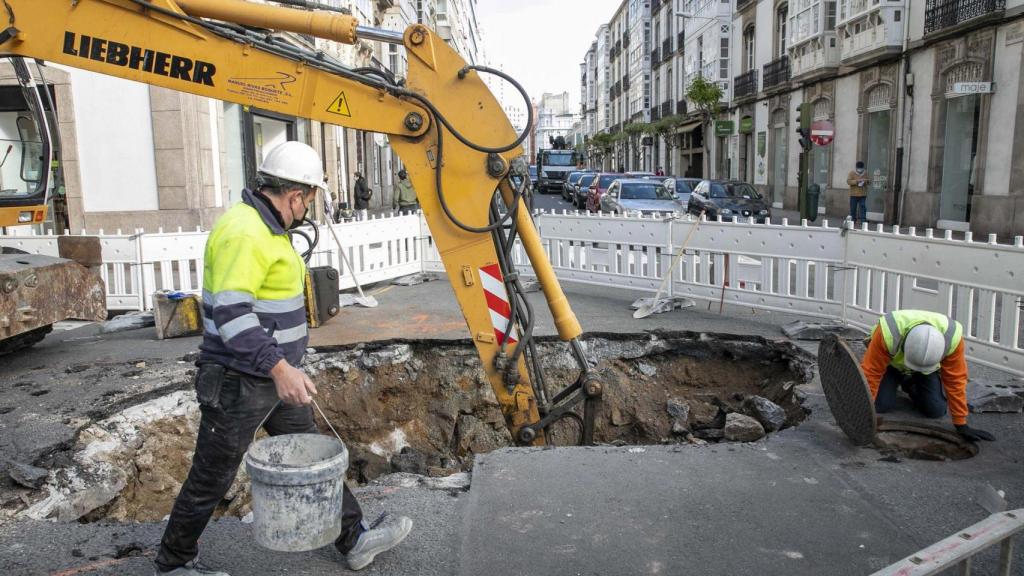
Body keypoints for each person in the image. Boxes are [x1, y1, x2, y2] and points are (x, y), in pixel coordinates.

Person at [154, 141, 412, 576]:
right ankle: (174, 562)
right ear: (296, 195)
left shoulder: (265, 228)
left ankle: (355, 538)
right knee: (213, 474)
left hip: (271, 377)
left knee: (313, 455)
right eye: (308, 200)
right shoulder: (245, 232)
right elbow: (233, 315)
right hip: (240, 379)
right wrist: (280, 367)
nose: (306, 209)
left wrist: (282, 369)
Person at [860, 309, 995, 442]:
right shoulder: (888, 332)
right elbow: (871, 373)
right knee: (881, 405)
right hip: (890, 366)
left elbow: (955, 380)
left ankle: (910, 383)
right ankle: (896, 380)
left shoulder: (952, 338)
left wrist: (961, 423)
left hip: (927, 370)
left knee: (936, 410)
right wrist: (863, 414)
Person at [846, 160, 868, 226]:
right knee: (853, 208)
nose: (860, 170)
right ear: (856, 168)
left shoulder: (866, 173)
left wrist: (865, 181)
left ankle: (863, 220)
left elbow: (869, 181)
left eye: (861, 168)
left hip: (863, 194)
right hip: (853, 194)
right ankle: (853, 220)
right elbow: (848, 181)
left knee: (863, 206)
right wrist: (856, 181)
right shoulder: (852, 173)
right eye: (859, 168)